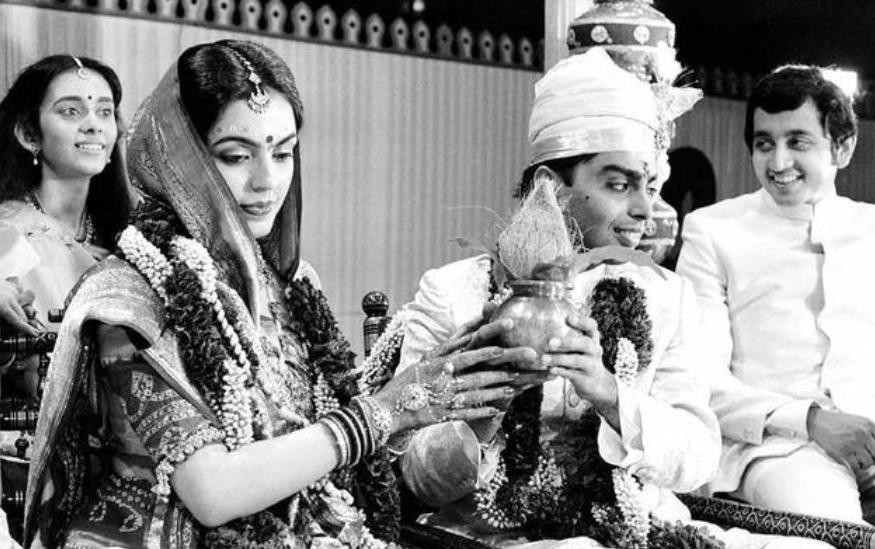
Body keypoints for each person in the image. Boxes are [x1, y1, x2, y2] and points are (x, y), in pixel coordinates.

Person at [23, 40, 533, 548]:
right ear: (179, 159)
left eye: (283, 152)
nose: (267, 181)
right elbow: (212, 492)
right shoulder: (133, 293)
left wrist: (457, 397)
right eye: (236, 156)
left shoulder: (289, 283)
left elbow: (328, 456)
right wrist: (381, 412)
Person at [397, 48, 828, 549]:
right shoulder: (455, 293)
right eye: (620, 184)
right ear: (551, 186)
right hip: (499, 537)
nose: (645, 208)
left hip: (644, 529)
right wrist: (483, 412)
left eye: (649, 186)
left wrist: (607, 393)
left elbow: (697, 459)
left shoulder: (664, 297)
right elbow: (409, 480)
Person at [677, 65, 875, 524]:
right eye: (765, 144)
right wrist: (810, 420)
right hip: (775, 448)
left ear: (842, 147)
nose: (779, 163)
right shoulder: (713, 231)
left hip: (869, 438)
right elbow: (697, 380)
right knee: (835, 532)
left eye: (798, 142)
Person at [0, 55, 132, 390]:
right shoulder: (7, 232)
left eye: (105, 111)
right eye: (71, 111)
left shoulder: (134, 241)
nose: (93, 125)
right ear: (29, 134)